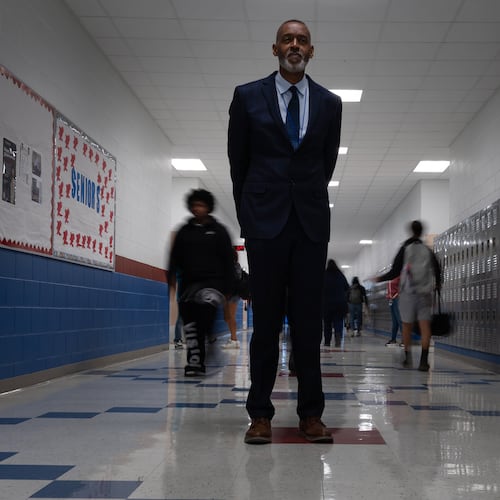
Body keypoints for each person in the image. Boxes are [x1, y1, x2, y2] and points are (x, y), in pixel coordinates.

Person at [228, 19, 342, 444]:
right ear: (274, 48)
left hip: (310, 225)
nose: (295, 44)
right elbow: (238, 162)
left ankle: (311, 415)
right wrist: (251, 213)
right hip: (265, 224)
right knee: (267, 324)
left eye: (303, 40)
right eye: (288, 39)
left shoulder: (330, 104)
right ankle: (260, 415)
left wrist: (305, 197)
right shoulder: (247, 97)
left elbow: (324, 165)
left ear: (311, 51)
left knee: (309, 324)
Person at [167, 189, 235, 376]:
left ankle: (206, 343)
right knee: (190, 325)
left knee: (204, 319)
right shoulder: (184, 231)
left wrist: (229, 288)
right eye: (195, 205)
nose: (198, 208)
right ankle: (194, 363)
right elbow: (174, 257)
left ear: (208, 207)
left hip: (212, 284)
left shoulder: (219, 231)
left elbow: (229, 260)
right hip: (188, 284)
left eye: (202, 205)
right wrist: (171, 280)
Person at [372, 220, 441, 371]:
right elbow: (437, 268)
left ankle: (407, 358)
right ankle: (424, 361)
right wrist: (438, 287)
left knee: (406, 325)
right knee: (425, 327)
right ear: (422, 231)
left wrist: (379, 279)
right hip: (425, 293)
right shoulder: (427, 250)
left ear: (410, 231)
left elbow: (395, 271)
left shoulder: (405, 248)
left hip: (408, 293)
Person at [322, 259, 349, 348]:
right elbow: (347, 287)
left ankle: (327, 341)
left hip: (326, 304)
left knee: (327, 323)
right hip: (339, 303)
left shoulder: (324, 275)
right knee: (338, 321)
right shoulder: (340, 275)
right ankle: (338, 339)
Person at [222, 249, 242, 349]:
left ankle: (234, 339)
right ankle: (233, 338)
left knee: (230, 316)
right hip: (230, 294)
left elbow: (233, 280)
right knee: (228, 317)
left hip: (232, 295)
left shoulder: (233, 266)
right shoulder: (233, 266)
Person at [385, 276, 402, 346]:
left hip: (397, 298)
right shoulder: (391, 277)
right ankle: (393, 339)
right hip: (391, 300)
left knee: (400, 320)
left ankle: (405, 340)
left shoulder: (399, 276)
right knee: (394, 321)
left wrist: (396, 295)